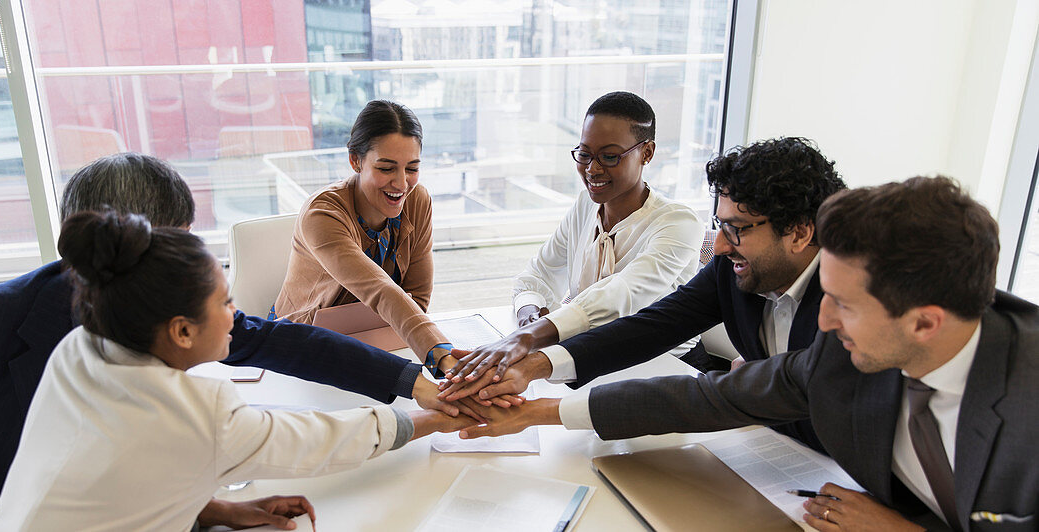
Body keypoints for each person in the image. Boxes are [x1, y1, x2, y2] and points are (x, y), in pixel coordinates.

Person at [457, 176, 1038, 532]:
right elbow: (713, 396)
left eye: (843, 305)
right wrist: (540, 411)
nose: (826, 323)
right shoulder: (848, 351)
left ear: (926, 322)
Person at [0, 153, 467, 532]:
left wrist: (413, 383)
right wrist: (433, 420)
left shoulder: (86, 351)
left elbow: (285, 343)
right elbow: (309, 440)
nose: (233, 310)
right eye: (180, 244)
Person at [443, 137, 845, 452]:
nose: (719, 246)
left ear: (799, 233)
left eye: (737, 229)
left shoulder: (849, 305)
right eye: (720, 225)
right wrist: (535, 367)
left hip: (840, 467)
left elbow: (712, 398)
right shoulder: (733, 268)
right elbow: (653, 326)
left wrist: (541, 412)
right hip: (768, 446)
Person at [454, 92, 704, 376]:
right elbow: (537, 274)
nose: (592, 169)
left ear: (646, 153)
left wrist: (530, 336)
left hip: (665, 369)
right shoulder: (587, 204)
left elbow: (621, 295)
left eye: (609, 156)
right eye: (584, 154)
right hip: (592, 355)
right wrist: (529, 316)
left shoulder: (679, 223)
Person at [274, 100, 458, 379]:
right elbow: (380, 289)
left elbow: (418, 299)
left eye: (412, 168)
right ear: (355, 161)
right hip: (302, 346)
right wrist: (441, 355)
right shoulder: (322, 214)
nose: (401, 184)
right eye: (386, 168)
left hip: (385, 340)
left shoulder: (417, 200)